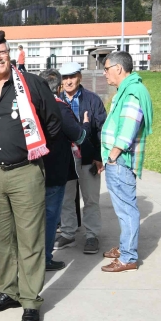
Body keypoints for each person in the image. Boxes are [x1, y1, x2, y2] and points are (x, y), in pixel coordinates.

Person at [0, 31, 62, 321]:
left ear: (9, 54)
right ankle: (8, 292)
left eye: (3, 52)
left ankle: (30, 300)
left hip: (25, 171)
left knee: (30, 238)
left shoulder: (31, 84)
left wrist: (33, 150)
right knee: (0, 238)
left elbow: (53, 122)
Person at [100, 51, 153, 272]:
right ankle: (125, 248)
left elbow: (128, 128)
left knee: (126, 210)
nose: (104, 73)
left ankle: (128, 257)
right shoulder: (129, 89)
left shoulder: (131, 92)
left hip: (121, 160)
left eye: (106, 69)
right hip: (118, 160)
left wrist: (113, 155)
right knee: (124, 209)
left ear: (119, 68)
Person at [39, 69, 91, 272]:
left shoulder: (31, 107)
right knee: (51, 215)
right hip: (55, 170)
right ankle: (45, 258)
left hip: (31, 170)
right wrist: (85, 124)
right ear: (59, 87)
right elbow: (79, 136)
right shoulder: (59, 107)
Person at [55, 61, 107, 255]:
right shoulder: (56, 100)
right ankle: (68, 233)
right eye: (65, 77)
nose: (69, 81)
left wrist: (98, 156)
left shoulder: (93, 100)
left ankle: (92, 235)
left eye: (72, 76)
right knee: (66, 198)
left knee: (91, 198)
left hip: (88, 157)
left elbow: (101, 130)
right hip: (64, 159)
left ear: (80, 77)